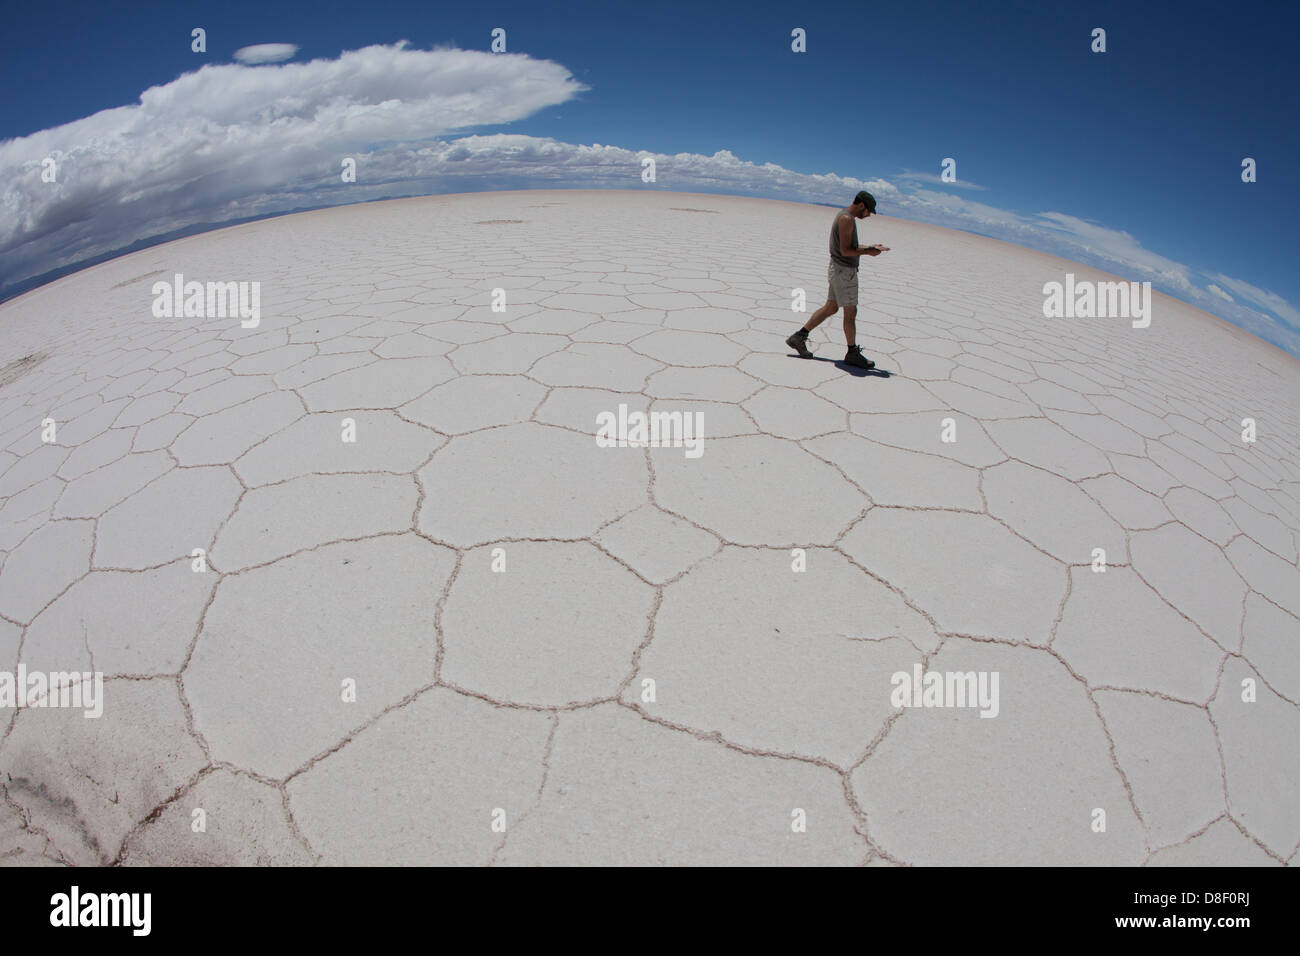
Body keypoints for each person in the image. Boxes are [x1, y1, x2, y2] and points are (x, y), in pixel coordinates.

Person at [787, 190, 889, 369]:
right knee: (850, 313)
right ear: (862, 205)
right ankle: (852, 353)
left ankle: (798, 337)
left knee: (831, 307)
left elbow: (851, 246)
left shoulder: (846, 217)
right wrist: (869, 252)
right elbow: (846, 251)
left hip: (839, 270)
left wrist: (872, 246)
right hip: (844, 271)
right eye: (869, 211)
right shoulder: (846, 219)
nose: (869, 215)